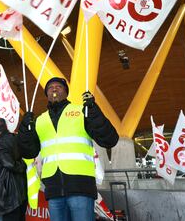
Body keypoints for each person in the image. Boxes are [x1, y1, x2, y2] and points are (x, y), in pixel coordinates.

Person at [18, 77, 119, 221]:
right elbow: (28, 152)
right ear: (46, 94)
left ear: (66, 92)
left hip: (81, 186)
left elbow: (109, 140)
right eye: (50, 87)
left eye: (59, 86)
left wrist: (94, 111)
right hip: (53, 189)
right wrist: (24, 129)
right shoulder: (39, 120)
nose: (54, 88)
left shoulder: (82, 111)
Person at [0, 118, 27, 221]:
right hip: (20, 191)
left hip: (9, 195)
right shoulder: (14, 138)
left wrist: (22, 166)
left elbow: (9, 164)